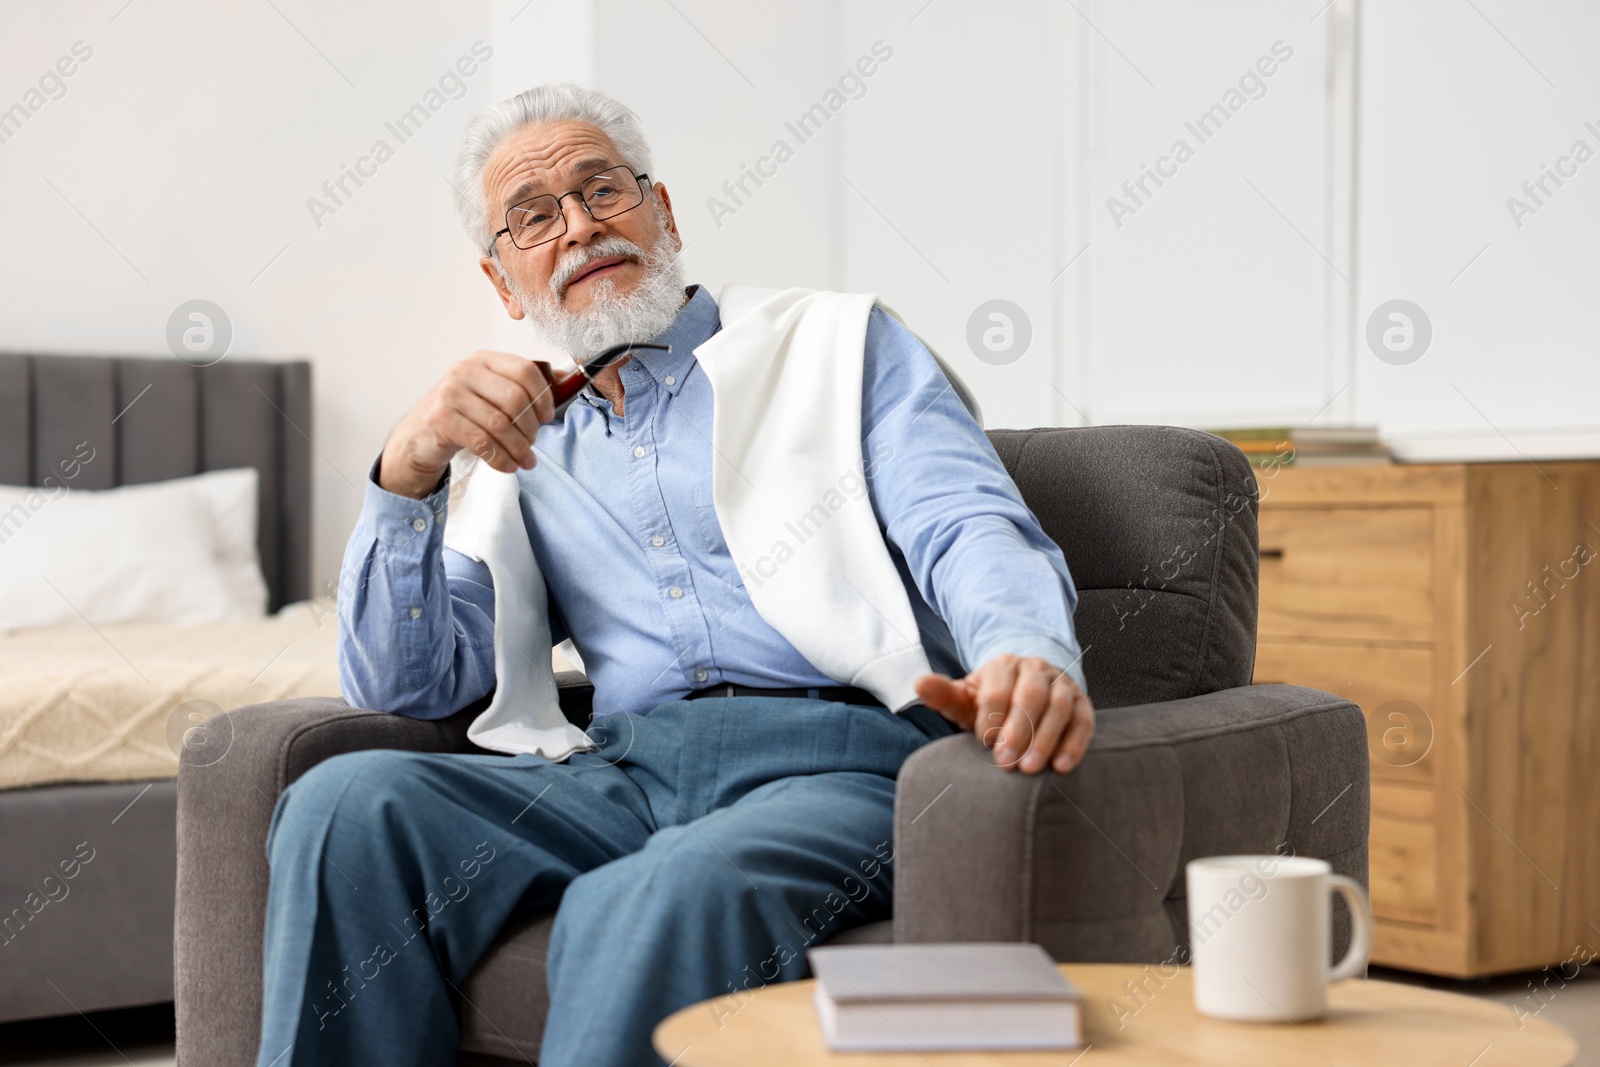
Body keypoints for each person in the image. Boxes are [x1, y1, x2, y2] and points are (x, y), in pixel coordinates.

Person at [256, 82, 1094, 1067]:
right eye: (534, 217)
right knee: (342, 807)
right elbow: (409, 682)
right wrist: (408, 471)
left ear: (662, 213)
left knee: (649, 892)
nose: (577, 227)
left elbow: (963, 520)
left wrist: (1022, 648)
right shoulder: (520, 447)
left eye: (601, 189)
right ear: (503, 282)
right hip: (619, 769)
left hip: (834, 761)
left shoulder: (837, 345)